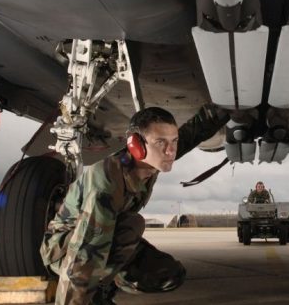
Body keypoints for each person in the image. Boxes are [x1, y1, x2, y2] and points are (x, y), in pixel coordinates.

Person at [40, 105, 228, 305]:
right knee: (132, 225)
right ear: (136, 145)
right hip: (64, 250)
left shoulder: (152, 159)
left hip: (107, 236)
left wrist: (226, 109)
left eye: (174, 141)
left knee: (169, 274)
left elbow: (191, 134)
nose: (170, 150)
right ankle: (98, 294)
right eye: (161, 142)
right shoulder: (106, 181)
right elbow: (86, 251)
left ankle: (105, 285)